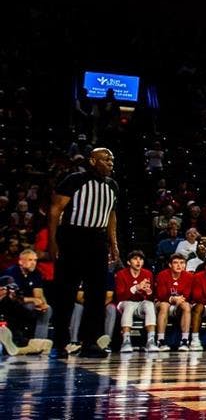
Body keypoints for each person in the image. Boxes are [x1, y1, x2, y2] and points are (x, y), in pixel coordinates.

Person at [48, 147, 119, 359]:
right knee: (66, 293)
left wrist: (113, 243)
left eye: (112, 160)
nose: (110, 163)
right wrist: (53, 241)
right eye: (106, 159)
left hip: (98, 241)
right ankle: (60, 343)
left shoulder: (113, 186)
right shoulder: (75, 180)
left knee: (96, 295)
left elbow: (111, 216)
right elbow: (55, 210)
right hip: (73, 237)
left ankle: (90, 342)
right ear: (92, 161)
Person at [114, 250, 160, 353]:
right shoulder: (121, 274)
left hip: (140, 304)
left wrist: (148, 292)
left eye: (140, 259)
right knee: (129, 305)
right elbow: (120, 296)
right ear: (129, 262)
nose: (138, 261)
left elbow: (151, 296)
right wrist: (136, 288)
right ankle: (126, 341)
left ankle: (151, 341)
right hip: (124, 303)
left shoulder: (147, 273)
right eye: (135, 259)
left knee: (149, 304)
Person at [2, 249, 52, 341]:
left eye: (35, 260)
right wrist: (33, 300)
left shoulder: (36, 273)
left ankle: (40, 341)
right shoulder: (12, 273)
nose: (33, 263)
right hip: (10, 303)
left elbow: (39, 293)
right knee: (25, 307)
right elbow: (12, 297)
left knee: (47, 310)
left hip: (26, 302)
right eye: (30, 260)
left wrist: (42, 304)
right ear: (21, 261)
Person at [155, 253, 194, 351]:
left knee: (186, 306)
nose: (179, 265)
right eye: (175, 263)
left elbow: (187, 295)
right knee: (164, 305)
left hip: (180, 303)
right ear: (170, 265)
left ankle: (184, 340)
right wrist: (172, 299)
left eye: (182, 263)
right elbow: (161, 295)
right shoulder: (162, 275)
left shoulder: (189, 276)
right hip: (163, 302)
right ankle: (160, 340)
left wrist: (178, 300)